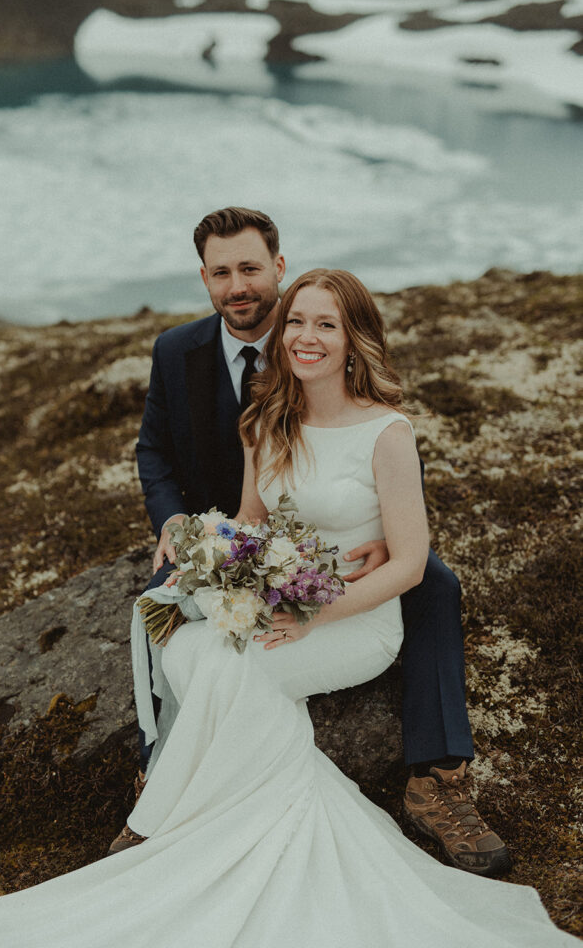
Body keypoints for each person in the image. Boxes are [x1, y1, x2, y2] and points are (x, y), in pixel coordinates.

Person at [0, 268, 575, 948]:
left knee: (236, 674)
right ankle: (198, 816)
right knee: (189, 649)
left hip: (354, 620)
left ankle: (151, 823)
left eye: (326, 324)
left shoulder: (387, 433)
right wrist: (222, 558)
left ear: (353, 340)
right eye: (297, 322)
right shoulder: (263, 421)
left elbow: (406, 563)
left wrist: (318, 612)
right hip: (280, 598)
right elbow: (254, 523)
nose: (306, 337)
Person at [110, 207, 507, 877]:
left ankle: (435, 777)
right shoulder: (205, 372)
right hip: (256, 550)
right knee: (168, 624)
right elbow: (174, 464)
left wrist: (366, 543)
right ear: (204, 278)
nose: (238, 285)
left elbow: (381, 501)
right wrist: (190, 535)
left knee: (434, 582)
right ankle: (173, 778)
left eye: (251, 270)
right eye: (221, 272)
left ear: (277, 270)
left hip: (340, 573)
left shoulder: (379, 421)